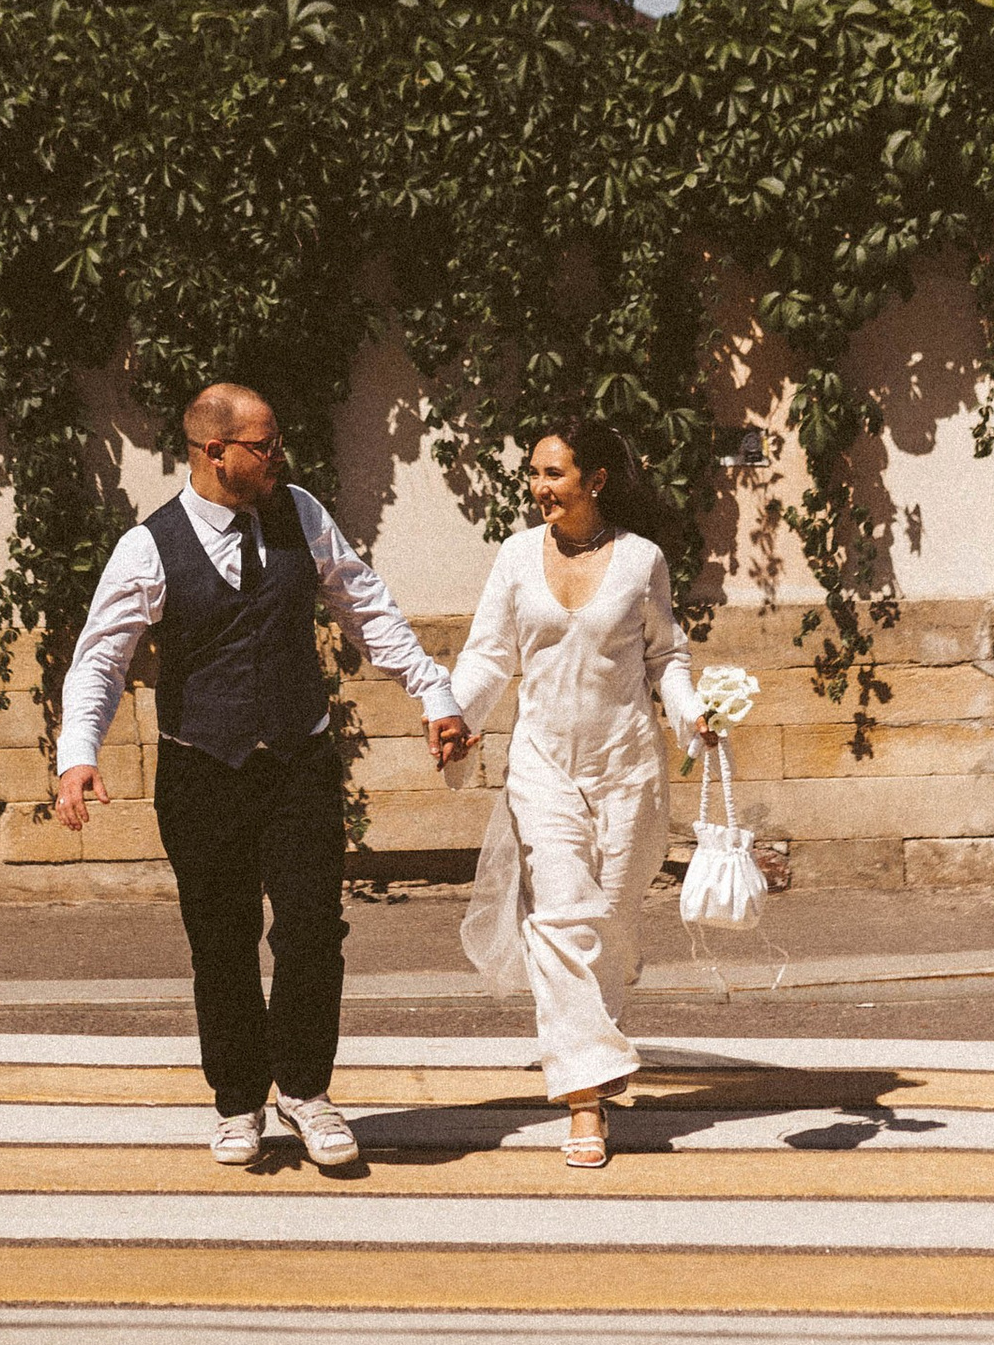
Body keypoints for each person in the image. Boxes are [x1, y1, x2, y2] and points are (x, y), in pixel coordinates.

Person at [53, 381, 463, 1170]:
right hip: (202, 770)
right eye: (264, 446)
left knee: (313, 929)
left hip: (299, 760)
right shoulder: (150, 546)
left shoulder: (301, 513)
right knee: (222, 940)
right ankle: (239, 1100)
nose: (280, 457)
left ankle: (306, 1091)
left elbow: (365, 606)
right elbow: (101, 658)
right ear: (216, 452)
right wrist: (80, 753)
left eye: (278, 444)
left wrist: (433, 691)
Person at [435, 411, 713, 1170]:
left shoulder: (640, 561)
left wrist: (693, 716)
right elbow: (490, 654)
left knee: (612, 933)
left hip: (627, 769)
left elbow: (668, 658)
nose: (538, 487)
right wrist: (454, 715)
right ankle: (584, 1104)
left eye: (552, 474)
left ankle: (592, 1042)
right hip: (544, 766)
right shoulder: (517, 557)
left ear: (595, 481)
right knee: (564, 921)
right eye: (533, 473)